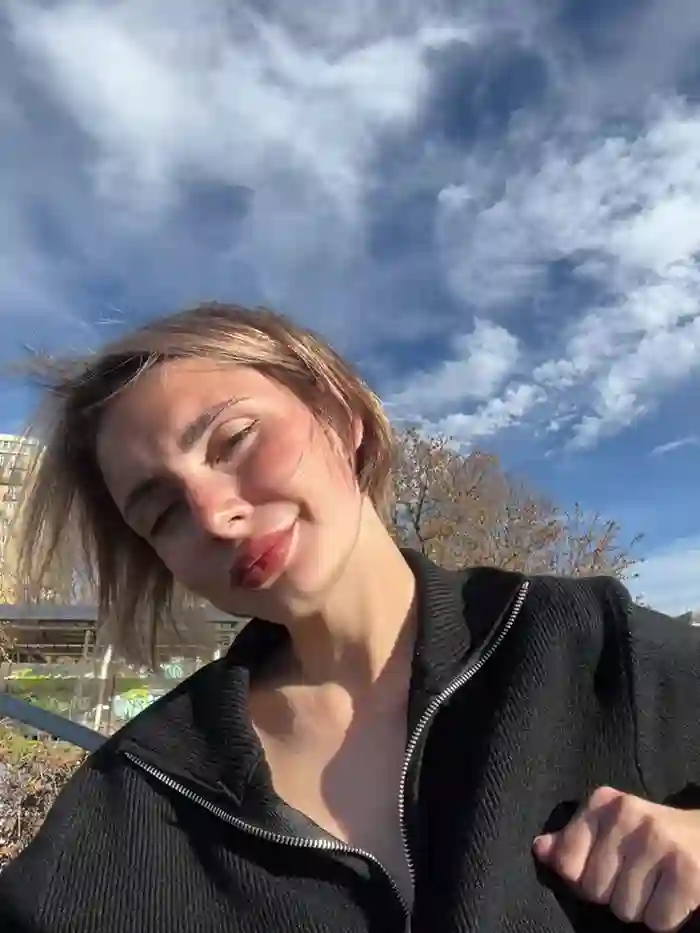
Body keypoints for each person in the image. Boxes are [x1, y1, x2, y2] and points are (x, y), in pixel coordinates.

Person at [1, 302, 700, 933]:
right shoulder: (137, 793)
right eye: (163, 513)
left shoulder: (582, 642)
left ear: (341, 416)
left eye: (234, 440)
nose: (215, 515)